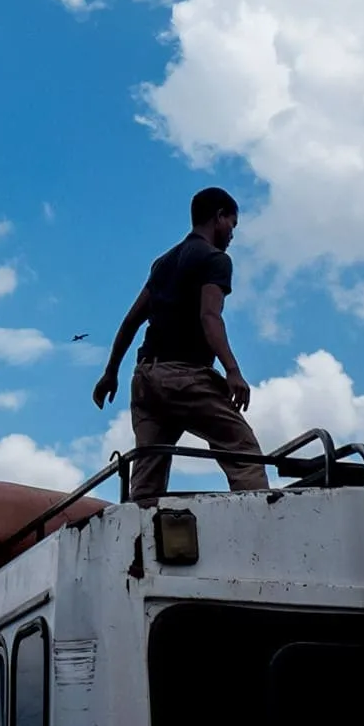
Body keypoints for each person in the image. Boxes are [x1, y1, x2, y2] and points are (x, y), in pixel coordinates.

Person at [92, 186, 269, 505]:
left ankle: (139, 545)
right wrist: (233, 371)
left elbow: (131, 321)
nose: (231, 234)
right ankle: (267, 533)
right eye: (232, 224)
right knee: (243, 453)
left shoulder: (163, 263)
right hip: (184, 377)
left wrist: (110, 372)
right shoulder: (215, 260)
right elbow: (209, 316)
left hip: (145, 379)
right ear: (219, 217)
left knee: (147, 480)